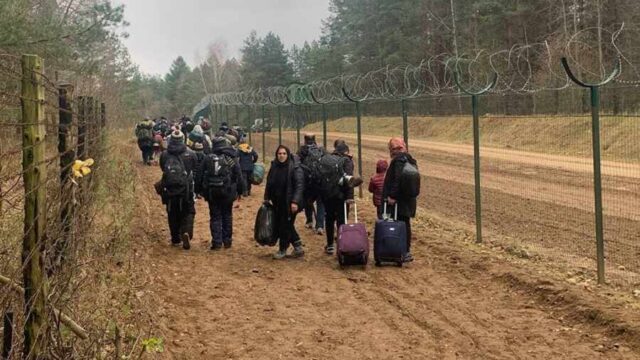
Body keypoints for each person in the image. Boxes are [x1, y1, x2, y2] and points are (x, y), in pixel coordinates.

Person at [196, 137, 245, 250]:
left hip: (212, 192)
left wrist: (198, 190)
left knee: (215, 217)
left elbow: (199, 174)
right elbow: (239, 175)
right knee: (227, 215)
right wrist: (240, 191)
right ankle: (227, 241)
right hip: (228, 192)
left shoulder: (208, 158)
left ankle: (217, 243)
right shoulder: (231, 158)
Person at [320, 139, 362, 255]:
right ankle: (341, 243)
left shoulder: (327, 159)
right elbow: (350, 181)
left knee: (329, 219)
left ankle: (329, 245)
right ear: (346, 151)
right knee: (341, 220)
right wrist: (349, 197)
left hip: (328, 195)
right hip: (341, 196)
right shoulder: (346, 161)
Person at [264, 145, 305, 259]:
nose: (281, 156)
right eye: (279, 154)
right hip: (277, 202)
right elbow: (269, 182)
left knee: (284, 226)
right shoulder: (274, 166)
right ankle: (298, 246)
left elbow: (299, 186)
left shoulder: (294, 168)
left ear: (288, 154)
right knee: (285, 224)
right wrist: (267, 197)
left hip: (290, 203)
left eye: (284, 153)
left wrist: (295, 202)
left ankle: (282, 249)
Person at [158, 130, 197, 250]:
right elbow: (195, 168)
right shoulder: (191, 153)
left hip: (169, 189)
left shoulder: (164, 154)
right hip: (187, 189)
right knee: (188, 211)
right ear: (183, 139)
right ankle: (186, 232)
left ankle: (175, 238)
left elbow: (162, 168)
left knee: (172, 212)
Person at [382, 137, 419, 262]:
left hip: (399, 201)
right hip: (409, 200)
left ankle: (399, 250)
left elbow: (397, 180)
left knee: (398, 224)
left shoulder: (398, 160)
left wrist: (392, 196)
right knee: (405, 224)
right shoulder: (410, 159)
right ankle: (405, 251)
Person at [297, 133, 325, 235]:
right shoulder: (320, 150)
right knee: (320, 203)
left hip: (307, 182)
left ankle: (309, 221)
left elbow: (297, 163)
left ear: (305, 140)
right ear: (314, 140)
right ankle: (320, 226)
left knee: (308, 201)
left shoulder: (302, 150)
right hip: (320, 181)